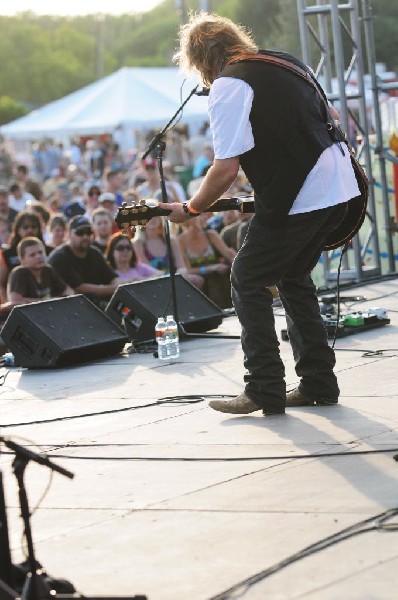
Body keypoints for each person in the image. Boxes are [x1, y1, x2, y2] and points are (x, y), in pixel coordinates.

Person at [160, 13, 360, 416]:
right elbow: (331, 120)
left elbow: (225, 168)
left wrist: (191, 208)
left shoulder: (230, 84)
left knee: (247, 277)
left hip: (304, 192)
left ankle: (264, 387)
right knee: (292, 276)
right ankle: (318, 383)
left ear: (199, 60)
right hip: (341, 184)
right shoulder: (285, 61)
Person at [48, 215, 120, 308]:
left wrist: (118, 286)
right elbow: (79, 288)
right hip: (68, 307)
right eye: (80, 233)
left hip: (94, 303)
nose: (85, 236)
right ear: (69, 234)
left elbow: (112, 277)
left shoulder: (94, 252)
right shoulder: (60, 258)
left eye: (89, 232)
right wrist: (114, 289)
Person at [7, 237, 74, 304]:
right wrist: (48, 301)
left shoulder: (48, 269)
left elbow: (68, 291)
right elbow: (15, 301)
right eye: (32, 255)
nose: (38, 256)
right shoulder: (19, 273)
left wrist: (64, 298)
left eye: (40, 252)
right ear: (22, 259)